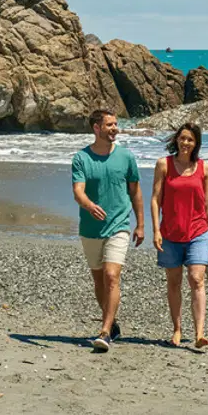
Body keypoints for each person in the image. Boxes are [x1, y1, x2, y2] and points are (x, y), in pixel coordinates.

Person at [71, 109, 144, 353]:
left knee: (112, 275)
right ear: (96, 128)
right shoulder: (81, 158)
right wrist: (89, 205)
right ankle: (112, 324)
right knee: (99, 280)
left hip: (119, 225)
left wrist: (141, 224)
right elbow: (78, 191)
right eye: (110, 125)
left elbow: (135, 191)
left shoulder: (126, 157)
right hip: (90, 228)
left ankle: (105, 331)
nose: (115, 128)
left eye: (116, 124)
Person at [151, 122, 208, 348]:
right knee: (174, 282)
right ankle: (177, 329)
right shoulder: (164, 165)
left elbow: (207, 203)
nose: (185, 143)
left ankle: (199, 333)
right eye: (182, 138)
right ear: (176, 140)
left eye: (190, 139)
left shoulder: (203, 168)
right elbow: (155, 199)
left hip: (198, 231)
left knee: (196, 278)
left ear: (196, 143)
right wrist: (156, 230)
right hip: (170, 233)